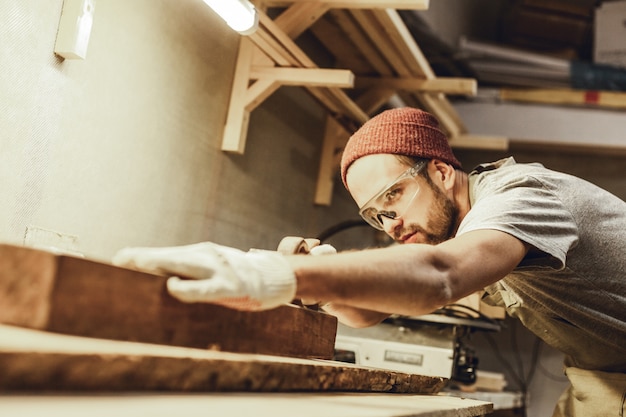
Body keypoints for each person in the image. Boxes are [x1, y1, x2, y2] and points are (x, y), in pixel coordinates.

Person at [113, 107, 626, 416]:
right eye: (376, 215)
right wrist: (320, 285)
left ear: (442, 172)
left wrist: (272, 273)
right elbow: (372, 313)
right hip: (600, 375)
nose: (392, 223)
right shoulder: (463, 225)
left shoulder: (521, 198)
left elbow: (438, 276)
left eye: (396, 195)